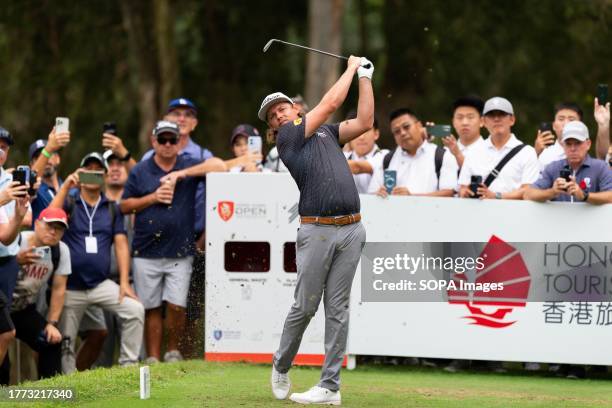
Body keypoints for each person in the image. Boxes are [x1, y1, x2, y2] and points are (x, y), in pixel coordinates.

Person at [259, 55, 373, 405]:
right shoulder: (288, 140)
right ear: (273, 127)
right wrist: (352, 68)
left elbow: (365, 121)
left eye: (281, 108)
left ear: (293, 107)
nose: (278, 114)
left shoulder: (326, 132)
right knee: (305, 306)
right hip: (317, 230)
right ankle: (281, 364)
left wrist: (366, 78)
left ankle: (330, 387)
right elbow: (333, 101)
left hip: (352, 228)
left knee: (337, 308)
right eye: (272, 115)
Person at [121, 121, 225, 364]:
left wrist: (181, 174)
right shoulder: (141, 170)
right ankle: (153, 358)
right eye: (162, 139)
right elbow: (124, 205)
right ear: (153, 141)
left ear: (179, 143)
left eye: (172, 140)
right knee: (152, 307)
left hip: (180, 250)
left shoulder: (188, 165)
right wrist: (152, 197)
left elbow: (219, 166)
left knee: (177, 305)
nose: (167, 144)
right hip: (146, 250)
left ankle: (173, 352)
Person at [49, 152, 144, 373]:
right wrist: (66, 186)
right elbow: (50, 214)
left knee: (135, 309)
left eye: (97, 170)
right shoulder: (71, 201)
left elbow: (121, 245)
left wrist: (123, 282)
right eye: (88, 169)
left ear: (104, 175)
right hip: (71, 287)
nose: (93, 173)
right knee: (66, 343)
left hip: (100, 284)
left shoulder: (111, 208)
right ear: (81, 173)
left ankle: (128, 366)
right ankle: (69, 386)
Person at [0, 208, 71, 383]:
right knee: (3, 364)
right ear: (37, 224)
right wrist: (15, 261)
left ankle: (50, 395)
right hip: (2, 308)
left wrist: (52, 323)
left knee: (52, 341)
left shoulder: (60, 252)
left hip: (24, 310)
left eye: (59, 229)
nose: (53, 232)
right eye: (49, 226)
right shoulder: (15, 240)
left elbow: (58, 289)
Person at [458, 97, 539, 199]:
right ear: (483, 121)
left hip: (514, 213)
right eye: (491, 115)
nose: (496, 119)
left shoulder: (527, 152)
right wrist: (466, 192)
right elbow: (462, 188)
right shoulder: (473, 152)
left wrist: (496, 196)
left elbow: (528, 190)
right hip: (480, 213)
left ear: (512, 120)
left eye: (501, 114)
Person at [367, 108, 459, 197]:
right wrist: (379, 194)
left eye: (406, 127)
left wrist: (411, 197)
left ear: (419, 126)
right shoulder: (387, 159)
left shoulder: (442, 155)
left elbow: (449, 192)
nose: (402, 133)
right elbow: (371, 193)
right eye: (396, 131)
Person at [525, 121, 612, 204]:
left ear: (588, 144)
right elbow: (528, 194)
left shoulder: (600, 167)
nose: (573, 148)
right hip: (560, 219)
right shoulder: (553, 167)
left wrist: (584, 196)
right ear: (563, 145)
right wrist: (553, 192)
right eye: (568, 144)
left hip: (592, 219)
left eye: (578, 143)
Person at [536, 99, 610, 168]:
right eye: (561, 119)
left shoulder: (587, 155)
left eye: (571, 119)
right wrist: (536, 154)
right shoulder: (544, 157)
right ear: (554, 125)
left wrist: (603, 125)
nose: (566, 123)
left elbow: (603, 158)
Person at [343, 113, 388, 194]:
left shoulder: (385, 156)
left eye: (366, 131)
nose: (361, 137)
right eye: (355, 131)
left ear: (376, 134)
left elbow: (357, 167)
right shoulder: (343, 156)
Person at [264, 95, 309, 173]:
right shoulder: (274, 154)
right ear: (271, 126)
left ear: (296, 109)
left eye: (282, 109)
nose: (278, 116)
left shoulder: (323, 133)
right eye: (272, 116)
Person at [441, 96, 485, 168]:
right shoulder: (444, 152)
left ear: (482, 121)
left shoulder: (490, 151)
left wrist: (457, 154)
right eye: (459, 117)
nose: (464, 123)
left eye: (470, 117)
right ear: (453, 122)